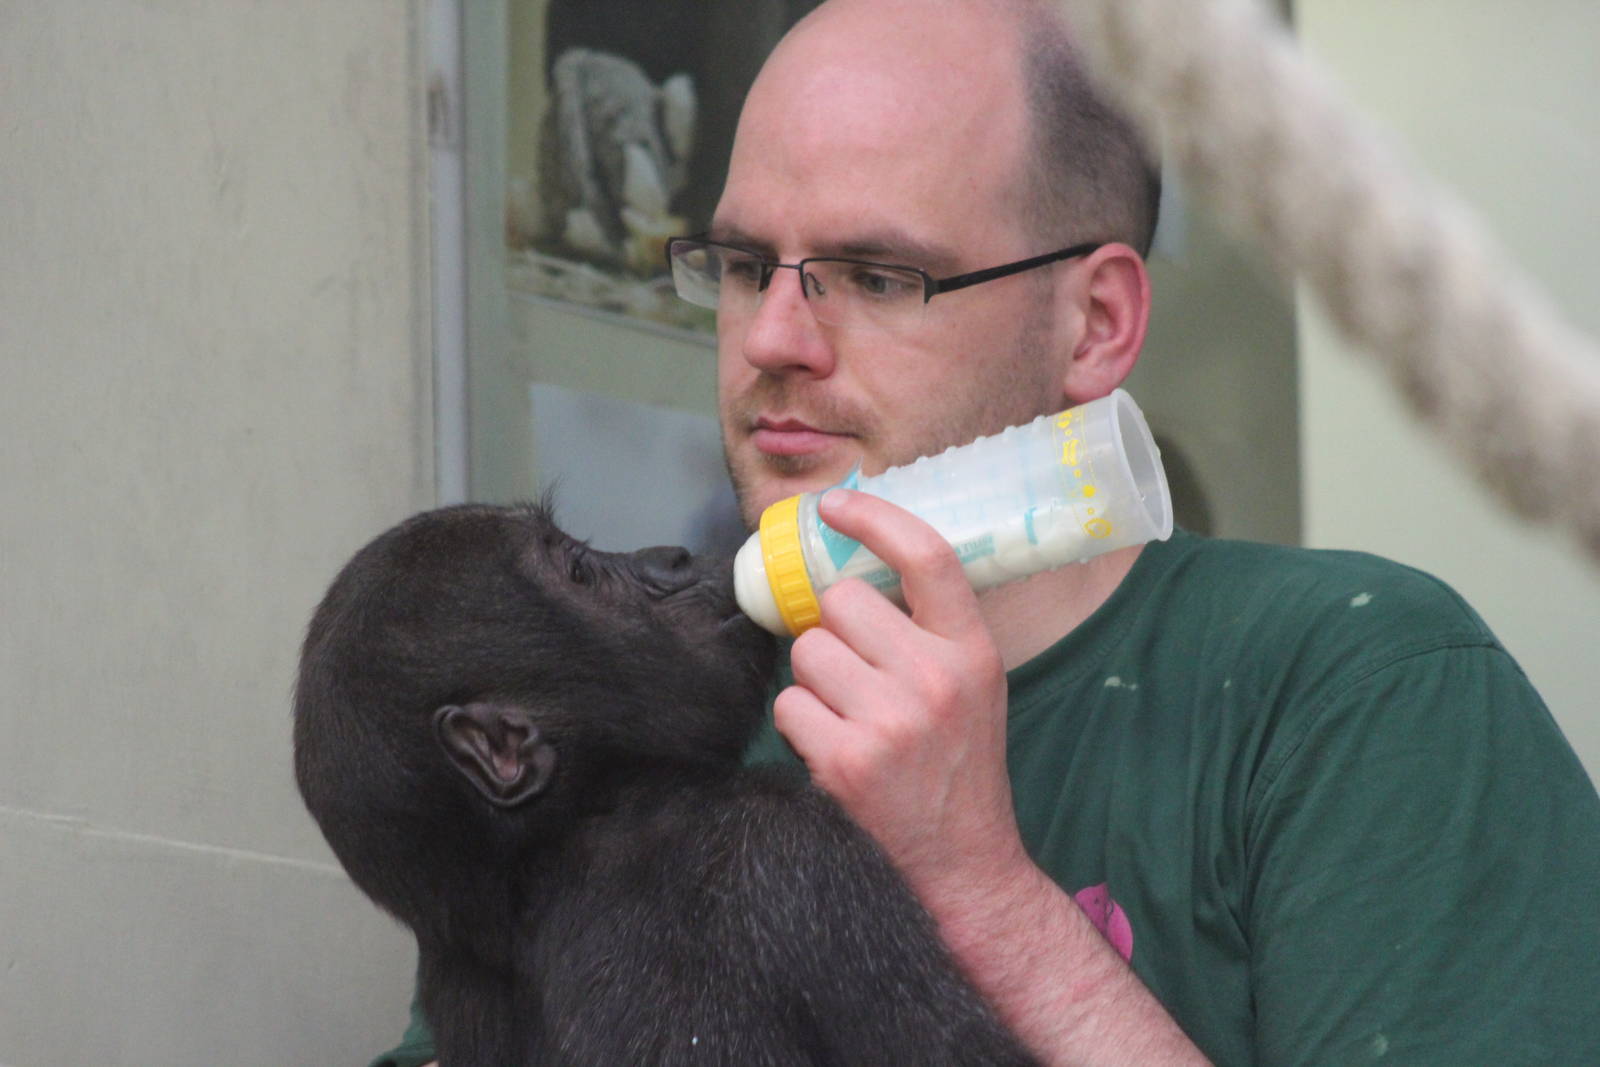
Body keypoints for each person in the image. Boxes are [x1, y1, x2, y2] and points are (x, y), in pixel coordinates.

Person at [374, 1, 1600, 1063]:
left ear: (1095, 325)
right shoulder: (666, 724)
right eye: (747, 264)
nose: (771, 341)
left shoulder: (1354, 685)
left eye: (873, 274)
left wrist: (980, 887)